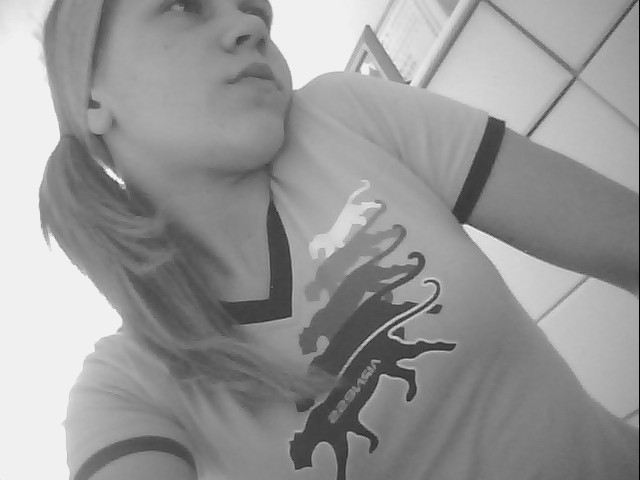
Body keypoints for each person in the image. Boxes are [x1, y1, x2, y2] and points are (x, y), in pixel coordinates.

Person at [39, 0, 639, 479]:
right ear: (91, 95)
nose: (250, 24)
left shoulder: (345, 119)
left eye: (254, 9)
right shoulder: (123, 392)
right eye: (183, 5)